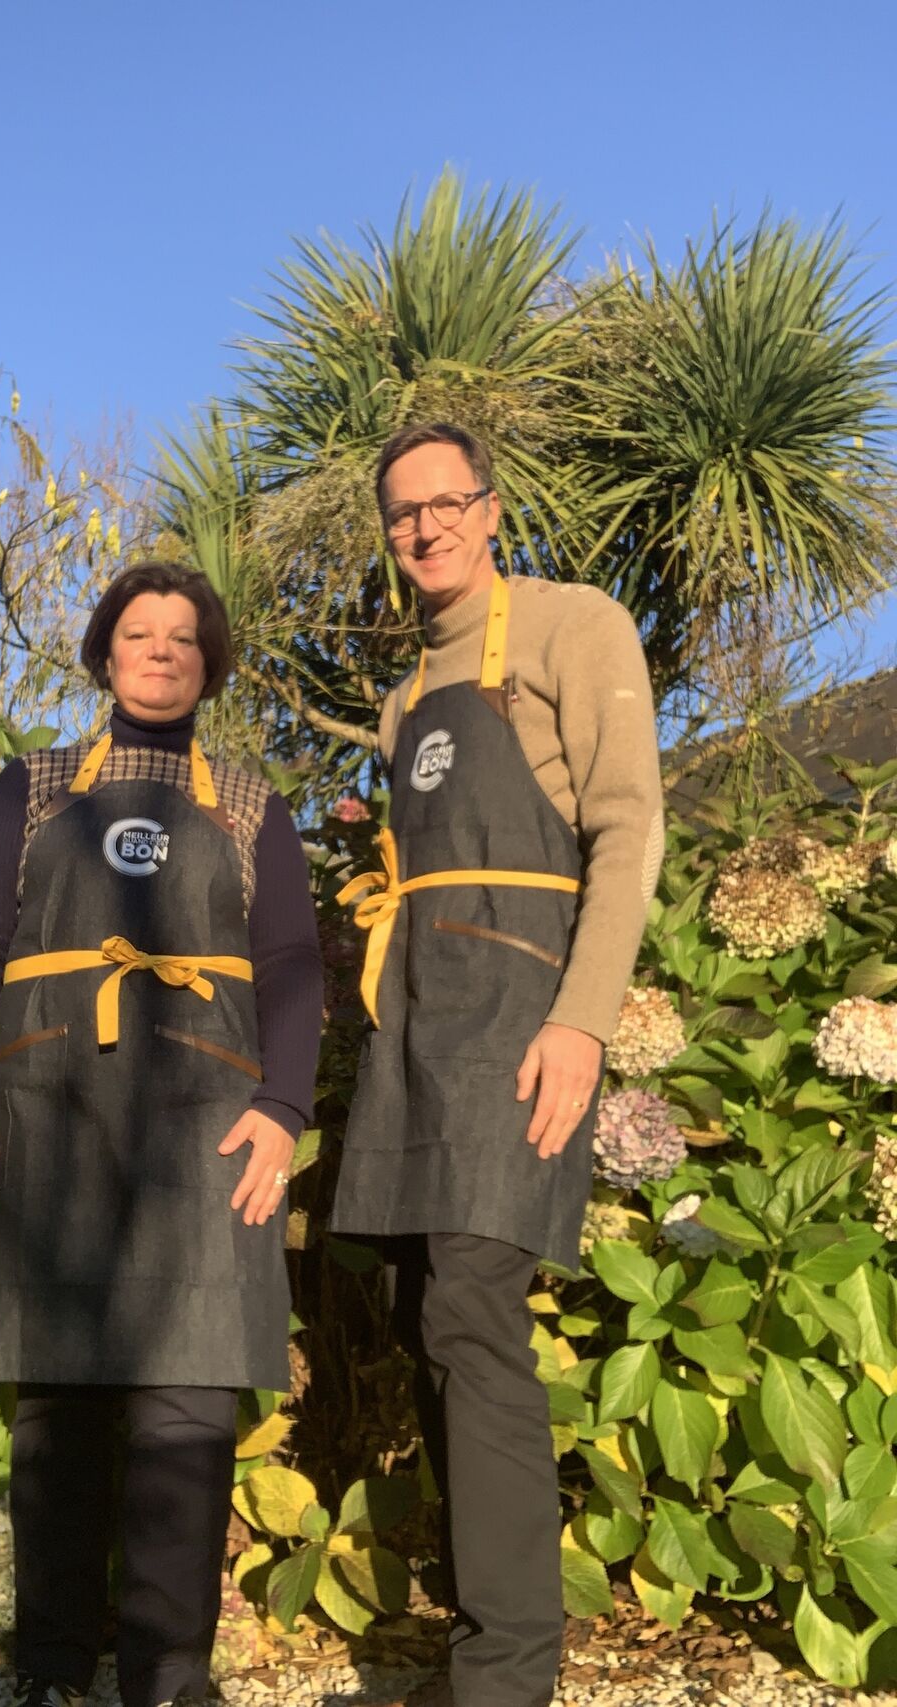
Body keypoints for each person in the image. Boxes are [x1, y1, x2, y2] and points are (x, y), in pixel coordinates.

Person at [0, 561, 323, 1707]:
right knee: (57, 1400)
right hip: (41, 1111)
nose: (159, 650)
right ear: (103, 655)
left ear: (209, 664)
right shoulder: (34, 788)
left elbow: (293, 965)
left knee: (190, 1402)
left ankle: (168, 1675)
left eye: (183, 637)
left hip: (209, 1124)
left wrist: (282, 1110)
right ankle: (49, 1669)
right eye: (137, 633)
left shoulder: (251, 806)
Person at [333, 422, 662, 1707]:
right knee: (431, 1320)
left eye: (446, 503)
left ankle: (508, 1677)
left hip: (523, 1015)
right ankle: (481, 1649)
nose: (425, 529)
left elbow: (626, 827)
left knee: (472, 1310)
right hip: (418, 1021)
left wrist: (580, 1020)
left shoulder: (574, 626)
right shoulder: (408, 690)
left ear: (488, 506)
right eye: (402, 514)